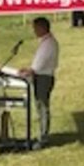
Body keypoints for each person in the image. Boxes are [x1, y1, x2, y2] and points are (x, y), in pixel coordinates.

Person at [16, 17, 59, 148]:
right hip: (41, 76)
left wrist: (30, 71)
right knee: (40, 106)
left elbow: (40, 65)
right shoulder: (46, 42)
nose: (34, 31)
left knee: (42, 106)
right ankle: (42, 133)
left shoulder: (48, 44)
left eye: (35, 28)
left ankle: (44, 137)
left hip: (44, 78)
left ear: (42, 28)